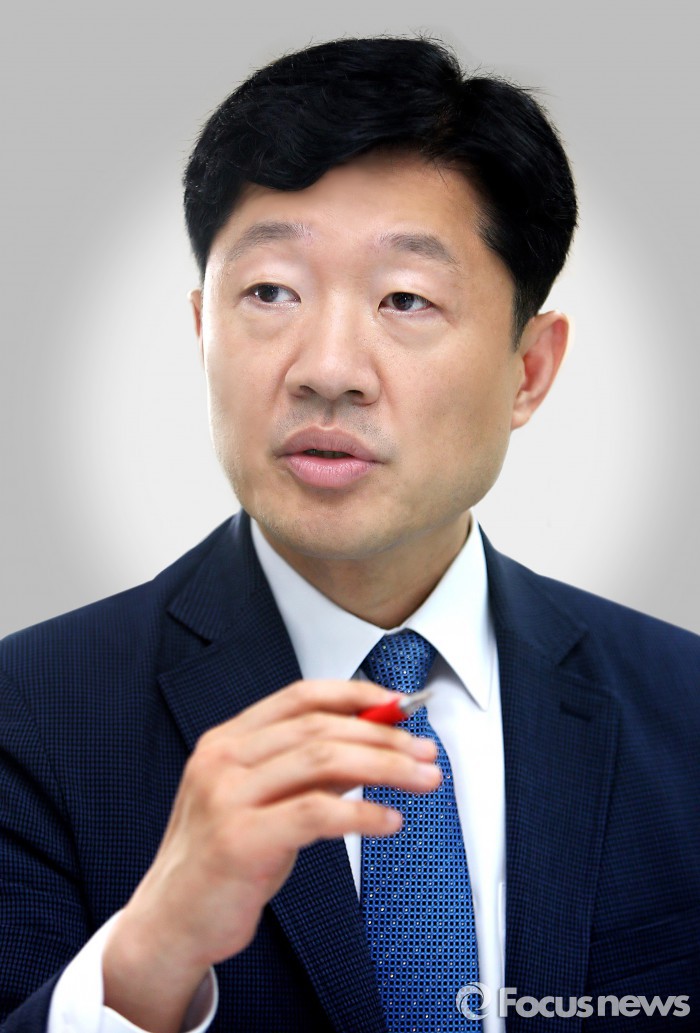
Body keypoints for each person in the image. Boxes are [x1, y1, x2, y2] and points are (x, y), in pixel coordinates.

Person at [1, 34, 698, 1033]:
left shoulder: (682, 707)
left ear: (530, 370)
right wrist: (150, 957)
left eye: (405, 299)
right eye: (270, 293)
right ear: (202, 332)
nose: (327, 368)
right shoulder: (30, 718)